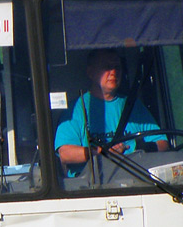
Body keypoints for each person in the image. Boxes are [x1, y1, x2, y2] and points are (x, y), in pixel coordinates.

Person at [55, 49, 168, 177]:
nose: (113, 72)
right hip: (93, 188)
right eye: (107, 67)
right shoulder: (76, 110)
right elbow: (65, 154)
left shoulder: (133, 106)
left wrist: (137, 149)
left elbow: (162, 143)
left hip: (136, 182)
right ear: (91, 72)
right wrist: (103, 152)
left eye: (117, 67)